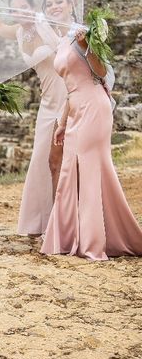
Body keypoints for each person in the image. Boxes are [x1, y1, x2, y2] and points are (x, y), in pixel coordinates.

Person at [40, 29, 142, 260]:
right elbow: (70, 87)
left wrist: (86, 44)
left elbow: (101, 72)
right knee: (69, 170)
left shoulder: (86, 33)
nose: (55, 7)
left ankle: (92, 242)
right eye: (51, 3)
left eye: (60, 2)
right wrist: (63, 122)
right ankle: (67, 236)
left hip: (94, 107)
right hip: (75, 107)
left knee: (90, 170)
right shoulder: (62, 41)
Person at [0, 0, 68, 236]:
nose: (20, 12)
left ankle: (65, 219)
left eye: (24, 6)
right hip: (47, 102)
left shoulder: (46, 22)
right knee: (41, 159)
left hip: (67, 94)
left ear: (33, 5)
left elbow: (68, 16)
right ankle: (41, 219)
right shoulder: (17, 30)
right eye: (15, 9)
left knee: (63, 159)